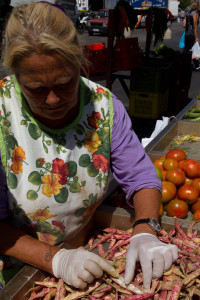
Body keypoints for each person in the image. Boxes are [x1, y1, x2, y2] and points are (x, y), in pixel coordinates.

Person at [0, 1, 178, 292]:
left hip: (85, 258)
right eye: (36, 88)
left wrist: (146, 229)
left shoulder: (103, 107)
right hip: (16, 270)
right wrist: (57, 260)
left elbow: (141, 177)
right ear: (17, 76)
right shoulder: (2, 114)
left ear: (79, 63)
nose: (53, 99)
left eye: (64, 83)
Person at [183, 2, 200, 70]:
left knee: (188, 49)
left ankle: (185, 64)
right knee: (193, 49)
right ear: (197, 7)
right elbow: (195, 26)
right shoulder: (195, 14)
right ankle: (196, 65)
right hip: (191, 34)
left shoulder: (188, 13)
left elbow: (184, 25)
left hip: (187, 34)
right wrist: (196, 37)